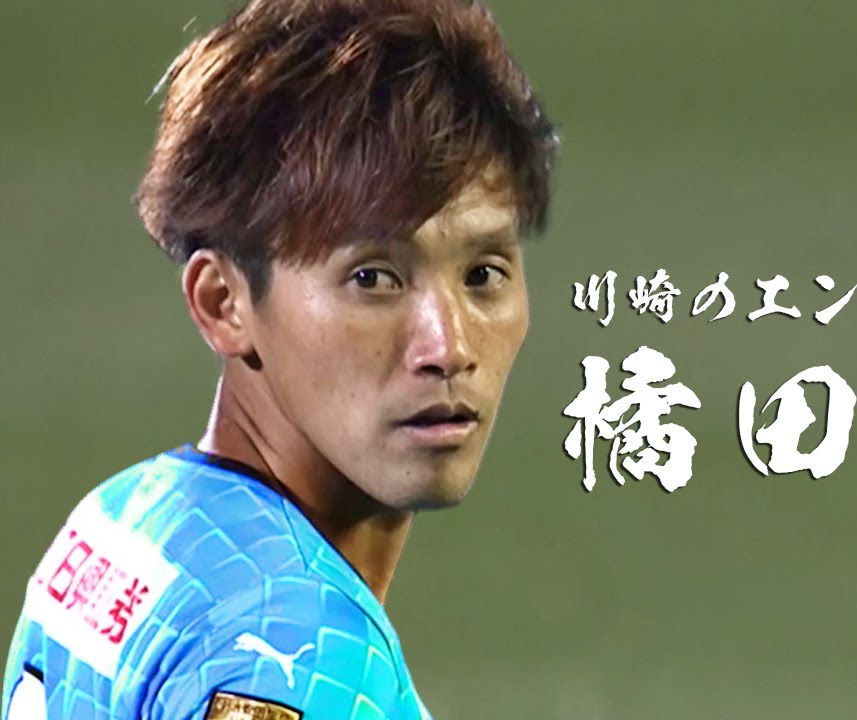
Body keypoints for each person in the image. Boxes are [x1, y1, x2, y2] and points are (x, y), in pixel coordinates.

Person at [2, 0, 557, 717]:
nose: (447, 347)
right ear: (223, 302)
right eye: (372, 278)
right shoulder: (298, 646)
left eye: (483, 274)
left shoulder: (123, 516)